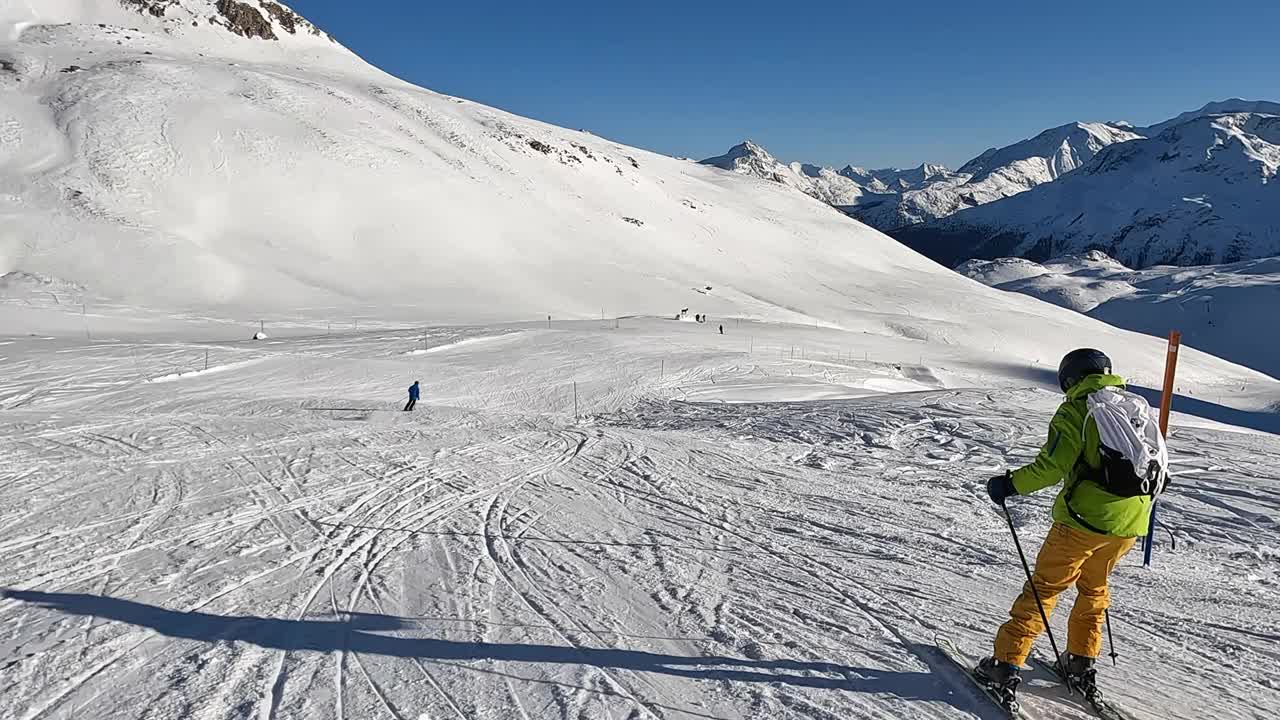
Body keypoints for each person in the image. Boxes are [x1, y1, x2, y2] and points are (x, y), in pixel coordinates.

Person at [976, 349, 1152, 706]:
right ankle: (1080, 661)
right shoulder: (1134, 407)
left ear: (1069, 380)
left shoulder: (1077, 410)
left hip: (1084, 521)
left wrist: (1008, 485)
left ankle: (1006, 665)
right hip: (1131, 524)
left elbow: (1052, 467)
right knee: (1094, 590)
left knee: (1044, 590)